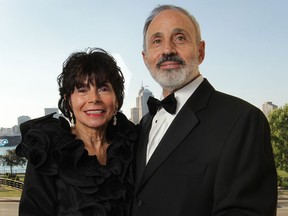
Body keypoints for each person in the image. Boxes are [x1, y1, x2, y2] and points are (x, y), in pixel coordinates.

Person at [131, 4, 278, 216]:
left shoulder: (243, 120)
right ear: (145, 59)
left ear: (201, 51)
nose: (168, 50)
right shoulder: (143, 125)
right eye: (157, 41)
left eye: (180, 38)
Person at [16, 48, 137, 215]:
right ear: (68, 101)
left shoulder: (130, 148)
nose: (94, 98)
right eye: (82, 90)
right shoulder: (49, 151)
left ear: (117, 100)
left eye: (103, 89)